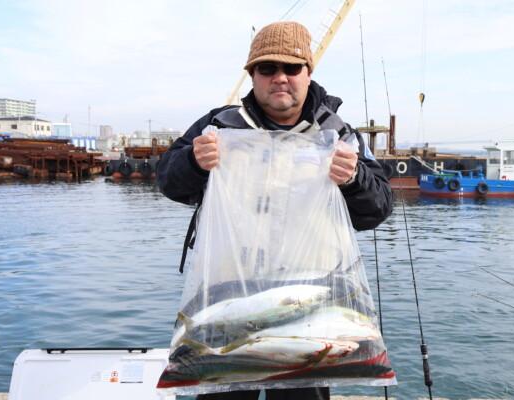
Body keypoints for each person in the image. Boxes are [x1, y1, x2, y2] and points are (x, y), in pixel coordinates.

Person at [156, 21, 393, 400]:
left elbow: (378, 209)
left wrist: (353, 178)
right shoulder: (218, 125)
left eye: (291, 68)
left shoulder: (340, 135)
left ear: (308, 73)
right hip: (225, 299)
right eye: (267, 68)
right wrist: (193, 163)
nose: (279, 78)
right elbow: (167, 180)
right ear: (251, 75)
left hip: (313, 304)